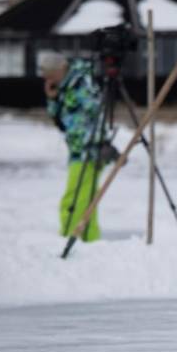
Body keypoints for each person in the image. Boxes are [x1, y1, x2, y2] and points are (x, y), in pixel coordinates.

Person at [39, 51, 105, 242]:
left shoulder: (81, 82)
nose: (48, 80)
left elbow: (94, 108)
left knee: (73, 199)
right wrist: (52, 98)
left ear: (61, 69)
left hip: (88, 149)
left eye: (50, 75)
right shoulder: (64, 85)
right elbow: (60, 121)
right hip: (77, 148)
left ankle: (70, 238)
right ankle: (90, 240)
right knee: (86, 198)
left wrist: (93, 141)